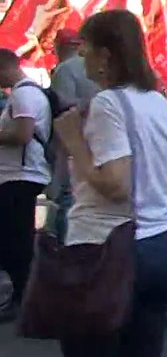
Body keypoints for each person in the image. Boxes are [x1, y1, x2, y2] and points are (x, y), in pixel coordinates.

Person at [53, 10, 167, 357]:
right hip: (160, 243)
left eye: (86, 46)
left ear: (105, 56)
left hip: (107, 248)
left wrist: (74, 141)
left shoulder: (109, 103)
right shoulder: (159, 102)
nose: (81, 53)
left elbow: (115, 185)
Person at [0, 49, 53, 323]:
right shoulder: (23, 94)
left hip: (21, 175)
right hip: (18, 174)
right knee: (14, 237)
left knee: (16, 240)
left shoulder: (23, 95)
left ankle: (25, 297)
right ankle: (23, 295)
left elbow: (22, 134)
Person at [47, 29, 99, 243]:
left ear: (60, 46)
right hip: (100, 139)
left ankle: (66, 246)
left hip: (73, 141)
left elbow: (63, 106)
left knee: (68, 195)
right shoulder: (98, 67)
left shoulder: (65, 70)